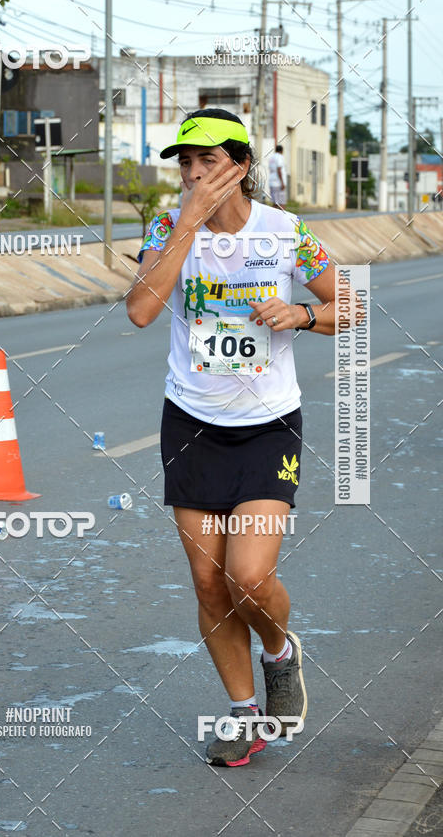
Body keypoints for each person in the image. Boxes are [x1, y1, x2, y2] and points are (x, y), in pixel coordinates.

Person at [126, 108, 336, 768]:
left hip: (268, 426)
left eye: (208, 160)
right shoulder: (166, 228)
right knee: (209, 584)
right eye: (185, 163)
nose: (193, 173)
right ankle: (245, 715)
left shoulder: (285, 232)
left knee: (248, 577)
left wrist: (301, 313)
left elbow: (351, 304)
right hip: (191, 424)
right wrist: (186, 226)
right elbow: (140, 309)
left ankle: (279, 652)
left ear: (241, 166)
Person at [268, 144, 287, 208]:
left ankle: (271, 214)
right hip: (278, 183)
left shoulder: (271, 158)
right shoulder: (280, 157)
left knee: (275, 203)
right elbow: (279, 169)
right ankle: (281, 215)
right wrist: (282, 182)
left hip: (272, 182)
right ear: (282, 151)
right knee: (282, 204)